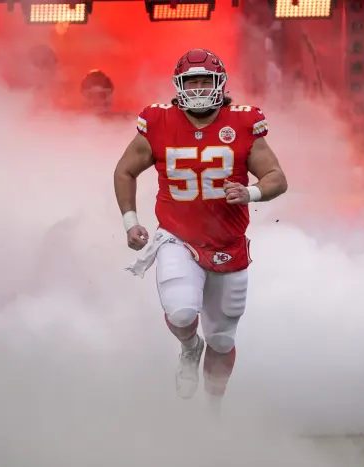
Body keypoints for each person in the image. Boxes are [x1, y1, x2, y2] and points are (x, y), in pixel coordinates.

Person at [112, 49, 288, 411]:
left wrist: (250, 192)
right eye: (191, 81)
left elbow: (277, 178)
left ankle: (213, 412)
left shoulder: (242, 122)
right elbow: (124, 171)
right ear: (178, 85)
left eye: (204, 80)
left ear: (220, 84)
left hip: (229, 242)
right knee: (181, 313)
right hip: (179, 237)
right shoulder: (158, 121)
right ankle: (190, 347)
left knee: (222, 340)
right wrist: (131, 221)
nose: (197, 88)